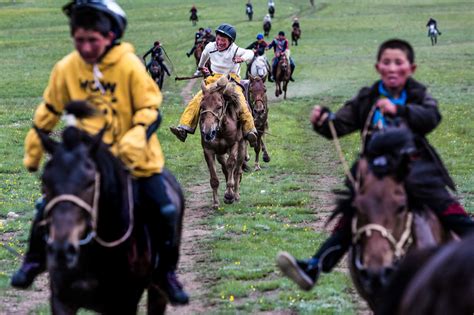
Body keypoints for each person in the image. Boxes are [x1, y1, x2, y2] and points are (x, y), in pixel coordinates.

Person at [11, 0, 189, 305]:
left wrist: (133, 140)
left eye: (93, 40)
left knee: (166, 208)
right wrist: (34, 147)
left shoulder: (129, 65)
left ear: (110, 37)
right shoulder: (66, 68)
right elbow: (49, 109)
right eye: (79, 40)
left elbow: (149, 108)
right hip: (83, 159)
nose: (86, 47)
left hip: (134, 160)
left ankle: (165, 273)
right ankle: (34, 259)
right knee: (48, 204)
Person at [276, 39, 474, 291]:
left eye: (398, 63)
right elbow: (341, 124)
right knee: (351, 214)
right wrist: (323, 121)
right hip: (374, 170)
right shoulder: (368, 97)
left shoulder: (416, 93)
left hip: (413, 165)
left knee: (444, 205)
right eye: (387, 63)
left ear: (410, 68)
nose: (392, 68)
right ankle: (314, 266)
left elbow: (431, 117)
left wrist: (399, 109)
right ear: (378, 67)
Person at [169, 23, 258, 145]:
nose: (220, 42)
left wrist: (242, 59)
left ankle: (250, 131)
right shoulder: (210, 46)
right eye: (218, 39)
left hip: (231, 80)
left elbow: (250, 53)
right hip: (214, 79)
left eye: (223, 40)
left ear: (230, 41)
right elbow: (204, 55)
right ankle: (184, 127)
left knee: (242, 102)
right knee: (197, 99)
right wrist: (201, 67)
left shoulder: (235, 50)